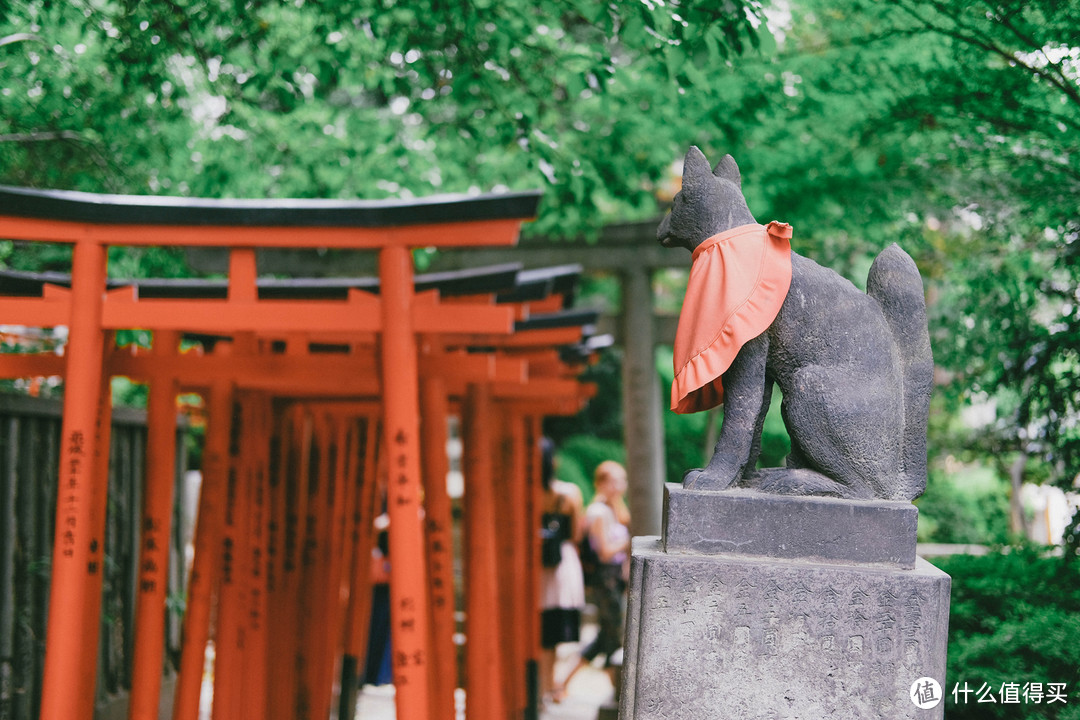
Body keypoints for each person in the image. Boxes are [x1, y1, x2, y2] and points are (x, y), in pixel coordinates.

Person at [558, 460, 630, 693]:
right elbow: (604, 552)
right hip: (604, 580)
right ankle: (616, 689)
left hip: (613, 580)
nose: (620, 486)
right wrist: (629, 544)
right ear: (601, 483)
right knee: (613, 634)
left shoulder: (613, 509)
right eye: (615, 481)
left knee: (608, 636)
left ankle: (568, 683)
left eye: (622, 480)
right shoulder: (598, 512)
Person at [538, 438, 586, 703]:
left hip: (533, 564)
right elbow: (577, 534)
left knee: (537, 631)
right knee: (553, 633)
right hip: (561, 563)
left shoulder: (528, 493)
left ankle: (539, 687)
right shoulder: (569, 494)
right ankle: (548, 686)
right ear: (553, 462)